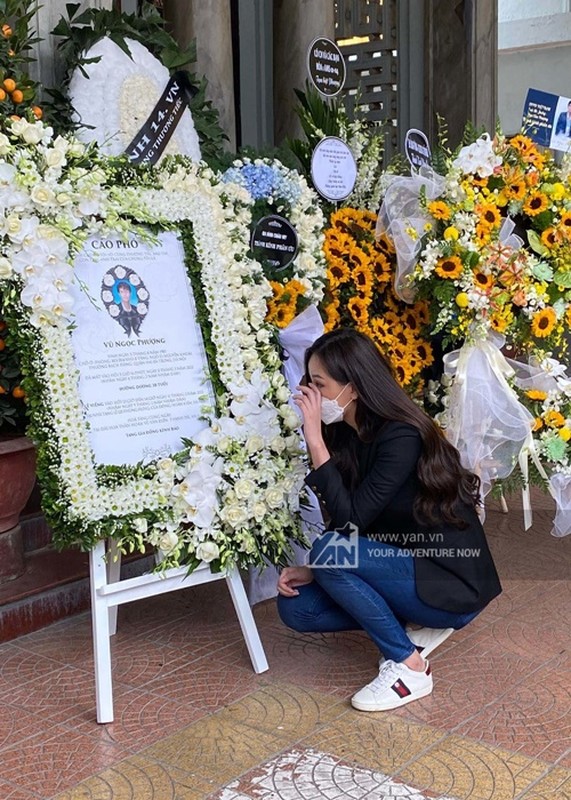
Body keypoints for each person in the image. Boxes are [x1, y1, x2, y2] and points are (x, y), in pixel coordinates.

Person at [277, 328, 501, 712]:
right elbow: (350, 527)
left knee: (329, 552)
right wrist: (315, 570)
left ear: (354, 386)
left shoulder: (401, 436)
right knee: (297, 608)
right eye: (307, 383)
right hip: (400, 564)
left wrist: (314, 440)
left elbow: (352, 521)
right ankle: (413, 627)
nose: (309, 396)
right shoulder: (346, 434)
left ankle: (410, 666)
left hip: (450, 581)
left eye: (319, 384)